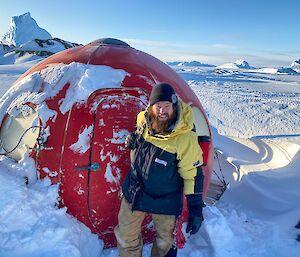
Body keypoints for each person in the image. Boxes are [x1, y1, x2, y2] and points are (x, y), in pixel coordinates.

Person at [114, 83, 205, 257]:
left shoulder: (184, 137)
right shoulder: (144, 118)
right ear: (151, 107)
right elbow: (139, 132)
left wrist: (195, 208)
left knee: (165, 242)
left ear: (174, 106)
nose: (162, 111)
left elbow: (192, 174)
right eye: (158, 107)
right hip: (135, 190)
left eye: (167, 107)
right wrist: (134, 138)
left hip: (166, 197)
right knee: (126, 236)